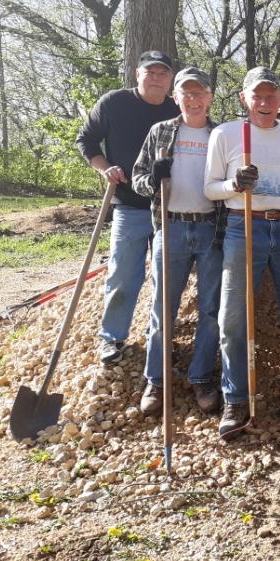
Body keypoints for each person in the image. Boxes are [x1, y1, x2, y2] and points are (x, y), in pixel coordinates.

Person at [203, 66, 280, 440]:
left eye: (271, 95)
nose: (265, 102)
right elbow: (210, 188)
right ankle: (236, 399)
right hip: (243, 224)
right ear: (244, 98)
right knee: (233, 317)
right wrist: (234, 183)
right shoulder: (226, 134)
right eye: (258, 95)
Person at [76, 50, 181, 365]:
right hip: (129, 205)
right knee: (123, 274)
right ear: (138, 74)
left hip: (169, 209)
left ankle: (158, 339)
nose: (157, 78)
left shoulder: (179, 108)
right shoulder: (114, 103)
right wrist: (104, 168)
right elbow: (87, 141)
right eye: (151, 72)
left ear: (171, 79)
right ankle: (112, 338)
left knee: (165, 279)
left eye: (163, 73)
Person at [131, 67, 224, 417]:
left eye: (199, 93)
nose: (193, 99)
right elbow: (138, 177)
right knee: (162, 309)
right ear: (176, 98)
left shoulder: (220, 135)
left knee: (210, 310)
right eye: (186, 93)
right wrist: (152, 181)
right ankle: (156, 380)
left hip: (210, 230)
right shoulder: (161, 132)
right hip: (169, 229)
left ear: (210, 97)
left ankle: (201, 377)